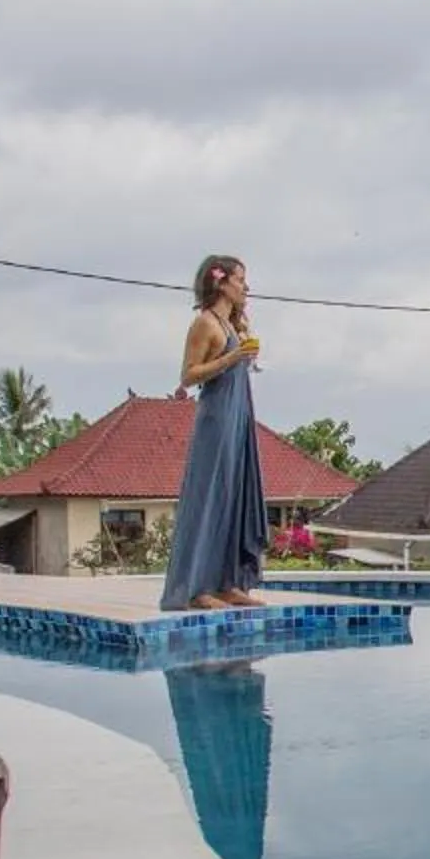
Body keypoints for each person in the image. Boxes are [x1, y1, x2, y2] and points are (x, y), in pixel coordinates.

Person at [161, 255, 268, 611]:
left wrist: (245, 355)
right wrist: (230, 358)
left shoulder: (233, 324)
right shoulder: (205, 324)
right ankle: (195, 587)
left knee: (234, 496)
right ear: (221, 283)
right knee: (208, 499)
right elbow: (189, 376)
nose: (246, 287)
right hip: (216, 419)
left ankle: (228, 582)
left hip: (239, 415)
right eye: (240, 279)